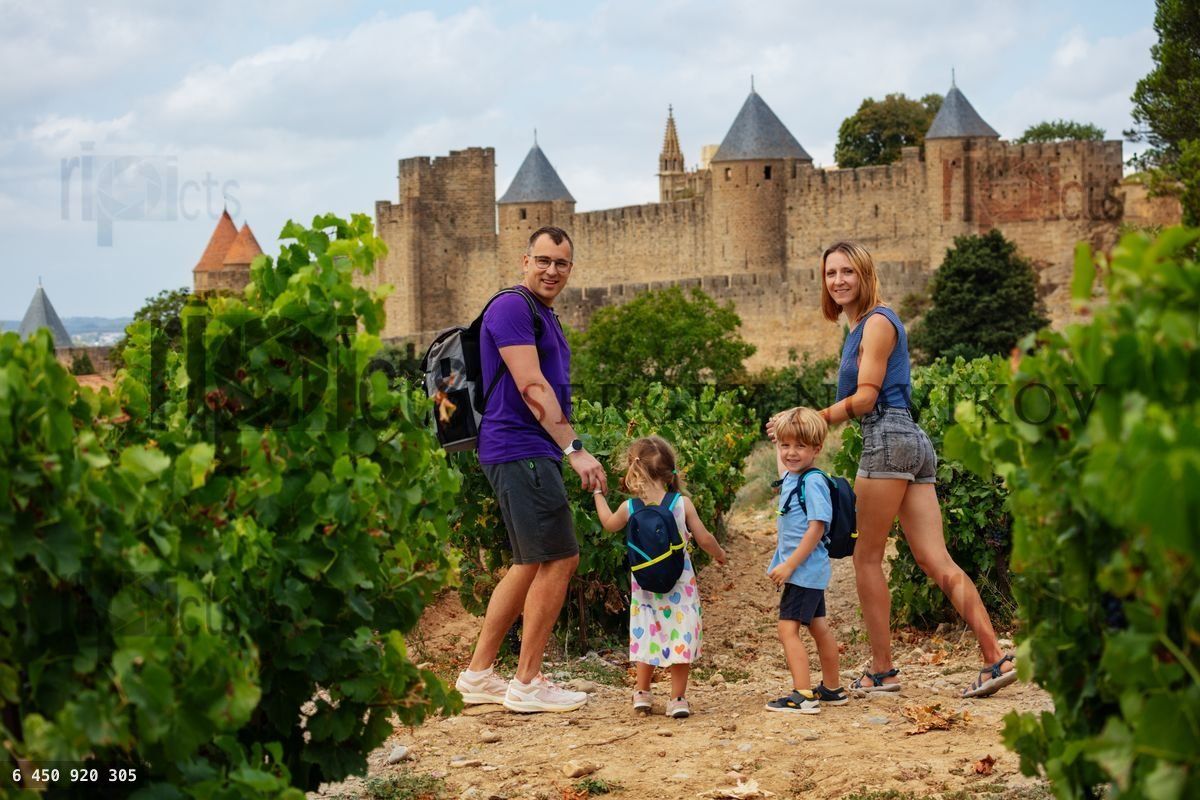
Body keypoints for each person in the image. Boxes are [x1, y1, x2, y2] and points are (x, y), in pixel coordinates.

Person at [770, 241, 1016, 698]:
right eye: (830, 273)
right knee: (934, 559)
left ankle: (883, 669)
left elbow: (866, 398)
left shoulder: (878, 323)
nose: (839, 280)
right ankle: (993, 658)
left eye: (848, 272)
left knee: (867, 559)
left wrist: (809, 418)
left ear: (865, 274)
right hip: (909, 441)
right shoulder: (862, 326)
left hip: (886, 438)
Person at [455, 226, 609, 713]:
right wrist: (576, 449)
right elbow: (531, 386)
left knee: (530, 561)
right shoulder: (512, 307)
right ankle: (526, 683)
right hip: (519, 447)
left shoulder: (544, 315)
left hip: (525, 450)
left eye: (561, 263)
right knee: (560, 559)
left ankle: (479, 675)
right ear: (525, 261)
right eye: (543, 260)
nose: (552, 270)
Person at [593, 436, 727, 719]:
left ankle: (642, 693)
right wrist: (719, 554)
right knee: (681, 634)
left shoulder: (630, 508)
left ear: (634, 469)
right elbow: (704, 538)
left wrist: (597, 495)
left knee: (647, 633)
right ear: (669, 471)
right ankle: (677, 698)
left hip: (645, 588)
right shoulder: (681, 503)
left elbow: (607, 524)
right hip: (680, 584)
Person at [763, 407, 847, 714]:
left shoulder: (811, 482)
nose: (791, 453)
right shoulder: (793, 476)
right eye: (786, 445)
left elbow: (817, 526)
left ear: (816, 449)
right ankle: (833, 688)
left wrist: (789, 565)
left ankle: (803, 694)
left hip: (803, 571)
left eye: (800, 446)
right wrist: (778, 440)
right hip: (810, 572)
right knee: (819, 627)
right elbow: (783, 465)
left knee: (787, 630)